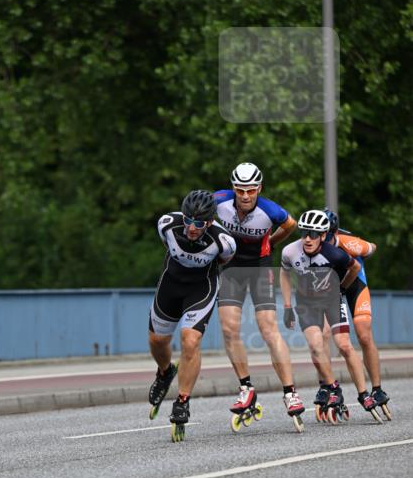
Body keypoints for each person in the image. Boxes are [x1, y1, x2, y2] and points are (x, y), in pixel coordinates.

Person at [213, 162, 304, 425]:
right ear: (233, 189)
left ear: (259, 189)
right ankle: (246, 388)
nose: (245, 196)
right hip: (231, 268)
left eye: (250, 190)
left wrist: (272, 242)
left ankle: (290, 392)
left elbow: (291, 224)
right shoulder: (218, 201)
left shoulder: (270, 210)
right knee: (229, 329)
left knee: (267, 329)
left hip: (260, 266)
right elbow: (195, 211)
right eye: (240, 190)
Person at [148, 189, 236, 440]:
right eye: (188, 220)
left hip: (201, 288)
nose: (191, 227)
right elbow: (168, 246)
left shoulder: (224, 241)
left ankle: (183, 400)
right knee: (157, 341)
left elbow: (224, 260)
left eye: (199, 223)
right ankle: (165, 373)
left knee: (190, 340)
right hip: (171, 285)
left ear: (210, 222)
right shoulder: (167, 224)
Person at [279, 210, 382, 422]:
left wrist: (342, 286)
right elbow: (284, 273)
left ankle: (366, 392)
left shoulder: (338, 251)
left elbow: (356, 265)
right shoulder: (290, 251)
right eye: (304, 233)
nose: (308, 238)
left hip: (335, 297)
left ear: (324, 235)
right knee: (317, 344)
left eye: (314, 234)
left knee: (346, 343)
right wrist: (287, 306)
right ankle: (331, 386)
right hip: (307, 302)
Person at [323, 209, 390, 418]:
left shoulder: (346, 241)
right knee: (325, 334)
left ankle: (377, 389)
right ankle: (327, 386)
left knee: (363, 334)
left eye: (324, 235)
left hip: (355, 287)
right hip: (334, 291)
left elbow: (372, 248)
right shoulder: (310, 246)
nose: (319, 239)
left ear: (333, 233)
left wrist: (363, 248)